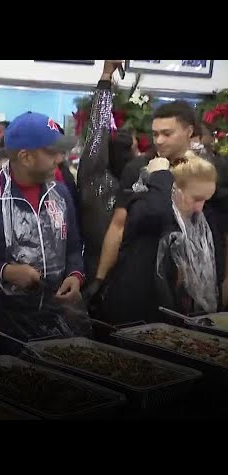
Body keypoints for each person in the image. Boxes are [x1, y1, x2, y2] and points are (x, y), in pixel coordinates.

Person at [0, 111, 91, 342]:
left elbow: (74, 246)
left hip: (58, 317)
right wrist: (6, 271)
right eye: (52, 152)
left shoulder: (61, 194)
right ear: (25, 157)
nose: (60, 159)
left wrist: (76, 275)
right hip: (6, 326)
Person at [85, 101, 197, 306]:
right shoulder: (137, 168)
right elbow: (118, 225)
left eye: (167, 133)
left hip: (193, 274)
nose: (160, 141)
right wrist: (100, 278)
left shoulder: (204, 170)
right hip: (141, 273)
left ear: (189, 131)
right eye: (155, 134)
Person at [101, 154, 225, 323]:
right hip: (137, 316)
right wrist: (160, 175)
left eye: (205, 200)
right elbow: (157, 210)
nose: (199, 208)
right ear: (173, 190)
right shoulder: (145, 206)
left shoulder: (201, 220)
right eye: (196, 199)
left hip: (177, 318)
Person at [76, 60, 136, 285]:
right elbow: (98, 129)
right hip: (93, 273)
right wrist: (105, 77)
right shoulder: (96, 176)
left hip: (129, 275)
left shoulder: (135, 184)